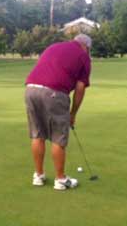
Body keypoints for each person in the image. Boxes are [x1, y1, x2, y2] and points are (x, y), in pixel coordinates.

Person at [24, 34, 92, 190]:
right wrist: (72, 114)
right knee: (58, 137)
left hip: (30, 89)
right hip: (54, 93)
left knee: (37, 134)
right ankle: (60, 180)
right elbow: (80, 88)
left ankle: (38, 176)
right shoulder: (84, 56)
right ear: (86, 47)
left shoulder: (53, 46)